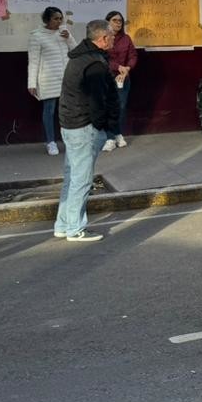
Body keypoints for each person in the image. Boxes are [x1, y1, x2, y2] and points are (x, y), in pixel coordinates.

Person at [54, 19, 120, 243]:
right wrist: (102, 126)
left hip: (70, 123)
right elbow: (97, 101)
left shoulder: (79, 58)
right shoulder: (95, 64)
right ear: (102, 39)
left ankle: (63, 224)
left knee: (72, 177)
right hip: (84, 126)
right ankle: (75, 228)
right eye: (111, 35)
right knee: (81, 179)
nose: (114, 38)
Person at [27, 6, 74, 156]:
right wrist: (32, 83)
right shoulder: (37, 36)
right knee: (49, 111)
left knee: (67, 111)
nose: (59, 21)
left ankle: (69, 141)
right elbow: (33, 61)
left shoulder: (64, 34)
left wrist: (69, 38)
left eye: (61, 18)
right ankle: (51, 142)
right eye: (56, 18)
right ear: (47, 20)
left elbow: (76, 51)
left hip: (66, 78)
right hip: (48, 79)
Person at [101, 10, 137, 151]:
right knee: (109, 107)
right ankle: (110, 138)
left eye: (120, 21)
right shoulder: (103, 38)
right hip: (108, 77)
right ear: (108, 22)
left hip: (123, 78)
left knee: (121, 107)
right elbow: (103, 57)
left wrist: (127, 68)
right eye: (114, 20)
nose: (118, 23)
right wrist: (118, 66)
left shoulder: (126, 38)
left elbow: (133, 55)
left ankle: (118, 133)